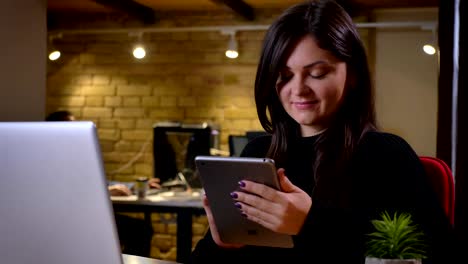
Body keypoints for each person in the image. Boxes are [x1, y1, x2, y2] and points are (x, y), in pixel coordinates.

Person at [190, 1, 456, 263]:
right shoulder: (257, 154)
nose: (298, 89)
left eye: (317, 73)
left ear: (353, 75)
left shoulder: (386, 156)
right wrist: (221, 245)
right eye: (284, 75)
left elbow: (427, 253)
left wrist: (309, 222)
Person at [45, 110, 160, 257]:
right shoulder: (50, 160)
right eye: (72, 126)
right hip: (70, 222)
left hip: (89, 217)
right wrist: (106, 191)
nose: (77, 130)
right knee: (139, 230)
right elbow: (66, 193)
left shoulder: (74, 155)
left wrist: (137, 185)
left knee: (141, 229)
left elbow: (100, 183)